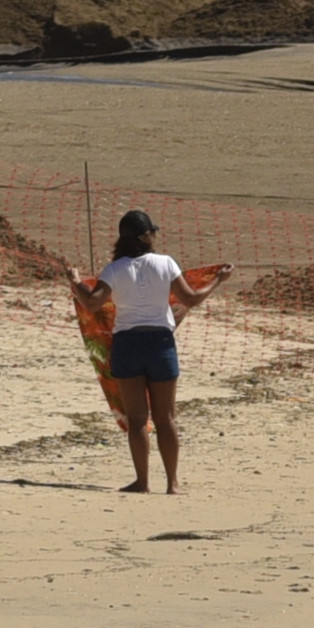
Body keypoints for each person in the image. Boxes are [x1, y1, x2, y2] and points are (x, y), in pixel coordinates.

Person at [70, 210, 229, 496]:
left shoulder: (115, 269)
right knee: (166, 418)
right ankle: (172, 484)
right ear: (145, 236)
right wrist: (217, 280)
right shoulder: (165, 263)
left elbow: (92, 304)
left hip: (127, 345)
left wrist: (75, 281)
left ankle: (142, 482)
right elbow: (190, 299)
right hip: (160, 344)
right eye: (152, 232)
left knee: (137, 419)